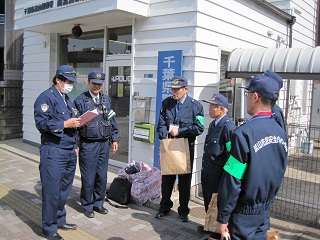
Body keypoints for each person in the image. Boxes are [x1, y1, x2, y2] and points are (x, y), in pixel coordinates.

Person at [215, 74, 288, 240]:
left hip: (243, 214)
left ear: (255, 97)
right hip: (264, 209)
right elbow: (279, 168)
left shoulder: (244, 133)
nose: (246, 97)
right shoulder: (280, 132)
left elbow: (233, 178)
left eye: (247, 94)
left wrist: (223, 216)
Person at [34, 65, 81, 240]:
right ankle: (49, 228)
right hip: (53, 151)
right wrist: (64, 125)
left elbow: (72, 122)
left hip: (69, 150)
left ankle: (60, 220)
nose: (70, 84)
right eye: (67, 81)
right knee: (52, 191)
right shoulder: (46, 98)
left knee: (64, 190)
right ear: (58, 80)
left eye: (71, 82)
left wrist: (75, 145)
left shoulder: (66, 98)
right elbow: (41, 124)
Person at [156, 76, 204, 222]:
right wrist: (165, 136)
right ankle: (164, 207)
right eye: (172, 89)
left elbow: (199, 128)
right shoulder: (167, 103)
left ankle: (183, 210)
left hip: (185, 147)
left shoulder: (196, 106)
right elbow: (161, 124)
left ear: (185, 89)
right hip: (169, 145)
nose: (174, 92)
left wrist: (181, 131)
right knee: (167, 179)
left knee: (184, 181)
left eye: (177, 89)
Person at [73, 69, 119, 218]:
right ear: (88, 82)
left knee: (102, 175)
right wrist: (75, 145)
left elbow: (111, 120)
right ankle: (87, 205)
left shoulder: (106, 100)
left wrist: (115, 138)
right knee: (88, 176)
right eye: (94, 83)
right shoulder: (80, 100)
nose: (97, 86)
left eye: (99, 84)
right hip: (88, 144)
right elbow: (75, 126)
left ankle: (98, 203)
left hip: (104, 143)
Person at [197, 94, 236, 234]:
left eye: (213, 106)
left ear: (222, 109)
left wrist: (227, 178)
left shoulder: (228, 127)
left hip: (218, 174)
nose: (210, 108)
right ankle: (210, 225)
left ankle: (217, 231)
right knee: (209, 200)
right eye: (210, 105)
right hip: (208, 170)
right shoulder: (214, 123)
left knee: (218, 203)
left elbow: (231, 154)